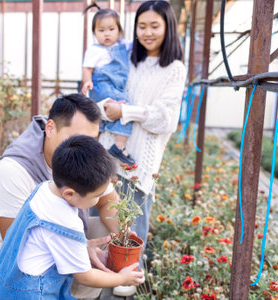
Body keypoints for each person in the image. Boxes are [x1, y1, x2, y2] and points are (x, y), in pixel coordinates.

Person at [0, 94, 119, 289]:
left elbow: (108, 201)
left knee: (109, 237)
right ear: (50, 128)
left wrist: (125, 239)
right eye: (77, 139)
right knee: (73, 274)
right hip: (2, 251)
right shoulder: (14, 168)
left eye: (91, 140)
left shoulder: (86, 157)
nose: (85, 148)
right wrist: (80, 250)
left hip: (57, 233)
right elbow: (17, 243)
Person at [96, 1, 186, 296]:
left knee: (131, 236)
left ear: (167, 28)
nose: (147, 32)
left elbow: (165, 119)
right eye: (142, 26)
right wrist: (105, 106)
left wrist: (125, 112)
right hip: (108, 156)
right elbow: (103, 91)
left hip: (140, 164)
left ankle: (124, 290)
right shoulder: (125, 59)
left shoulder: (173, 69)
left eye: (154, 26)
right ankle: (98, 287)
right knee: (99, 229)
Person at [0, 135, 144, 299]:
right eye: (97, 195)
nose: (99, 200)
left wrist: (84, 246)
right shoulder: (66, 224)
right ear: (70, 194)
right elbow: (85, 276)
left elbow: (50, 239)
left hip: (4, 281)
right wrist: (121, 278)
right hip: (30, 293)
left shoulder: (44, 189)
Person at [81, 6, 134, 165]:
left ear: (119, 30)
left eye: (111, 29)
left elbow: (136, 46)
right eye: (101, 30)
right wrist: (87, 81)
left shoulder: (123, 45)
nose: (107, 34)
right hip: (101, 85)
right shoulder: (95, 50)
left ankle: (92, 148)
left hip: (115, 86)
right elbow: (87, 68)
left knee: (101, 118)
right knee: (125, 107)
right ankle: (119, 145)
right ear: (95, 33)